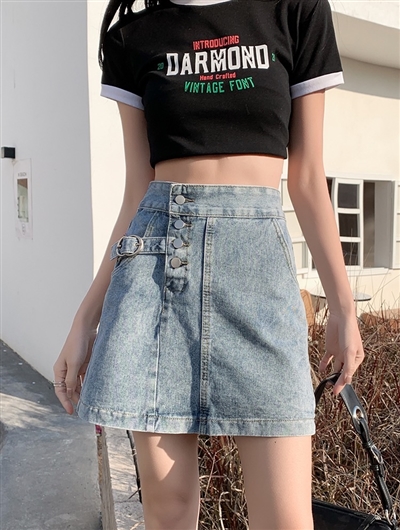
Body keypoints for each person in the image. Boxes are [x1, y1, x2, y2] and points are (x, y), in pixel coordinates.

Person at [53, 0, 365, 528]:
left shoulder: (295, 9)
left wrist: (343, 306)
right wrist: (85, 319)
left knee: (286, 519)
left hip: (259, 276)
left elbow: (309, 178)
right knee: (168, 510)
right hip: (156, 271)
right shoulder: (134, 34)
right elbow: (137, 193)